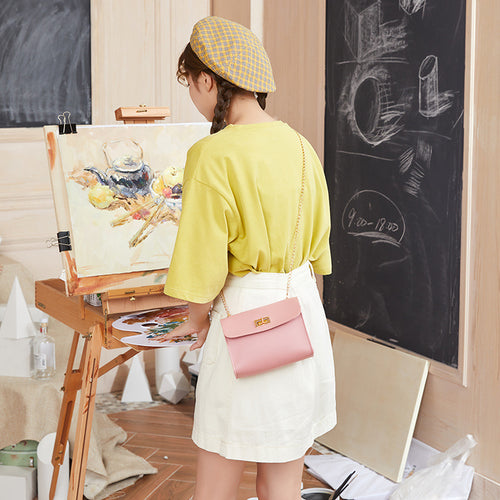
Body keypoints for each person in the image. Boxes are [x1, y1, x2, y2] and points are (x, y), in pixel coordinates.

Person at [162, 16, 336, 500]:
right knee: (282, 481)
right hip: (300, 318)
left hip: (245, 322)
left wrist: (195, 320)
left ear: (207, 80)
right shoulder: (301, 146)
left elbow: (202, 261)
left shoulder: (212, 154)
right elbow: (319, 247)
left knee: (217, 476)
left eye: (190, 84)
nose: (193, 96)